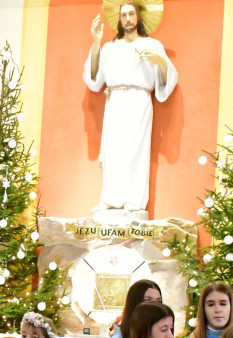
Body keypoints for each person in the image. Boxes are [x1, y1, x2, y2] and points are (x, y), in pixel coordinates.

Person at [84, 2, 178, 214]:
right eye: (123, 14)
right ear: (119, 19)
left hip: (139, 99)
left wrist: (161, 61)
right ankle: (110, 198)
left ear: (138, 17)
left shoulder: (153, 45)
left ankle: (134, 201)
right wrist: (96, 44)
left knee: (136, 149)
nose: (127, 18)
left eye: (131, 14)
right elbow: (94, 78)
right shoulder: (110, 48)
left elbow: (167, 78)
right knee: (112, 148)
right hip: (115, 99)